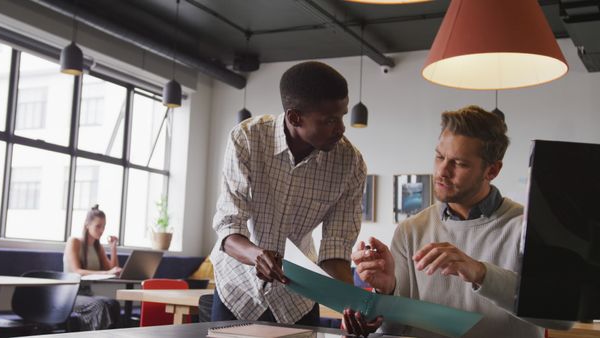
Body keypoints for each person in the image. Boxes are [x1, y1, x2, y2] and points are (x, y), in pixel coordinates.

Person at [344, 106, 544, 338]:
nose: (442, 171)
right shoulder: (410, 230)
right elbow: (392, 330)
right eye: (440, 156)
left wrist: (480, 273)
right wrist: (386, 292)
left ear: (492, 170)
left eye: (459, 163)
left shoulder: (528, 228)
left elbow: (559, 319)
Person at [210, 61, 367, 325]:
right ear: (295, 117)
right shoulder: (247, 139)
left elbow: (335, 250)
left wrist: (351, 306)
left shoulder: (349, 163)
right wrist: (257, 255)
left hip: (298, 298)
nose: (341, 129)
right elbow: (228, 227)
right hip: (238, 290)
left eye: (342, 116)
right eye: (329, 120)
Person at [63, 205, 122, 331]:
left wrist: (113, 248)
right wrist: (107, 272)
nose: (101, 230)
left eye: (104, 226)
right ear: (87, 225)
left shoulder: (97, 246)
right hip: (70, 295)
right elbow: (77, 271)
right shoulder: (74, 242)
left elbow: (112, 269)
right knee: (99, 306)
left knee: (113, 304)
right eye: (98, 226)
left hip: (87, 293)